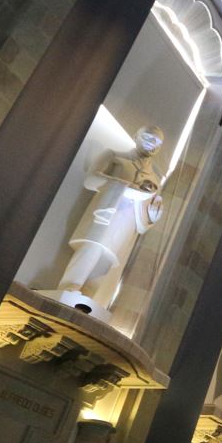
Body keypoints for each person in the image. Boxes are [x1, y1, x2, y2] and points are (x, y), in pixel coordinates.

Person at [57, 125, 166, 314]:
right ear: (136, 136)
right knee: (92, 248)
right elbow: (91, 180)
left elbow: (145, 213)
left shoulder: (155, 177)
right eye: (148, 138)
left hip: (126, 225)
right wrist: (125, 188)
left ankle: (87, 300)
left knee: (106, 260)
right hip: (105, 214)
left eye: (156, 141)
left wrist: (152, 217)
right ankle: (69, 288)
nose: (151, 144)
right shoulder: (115, 156)